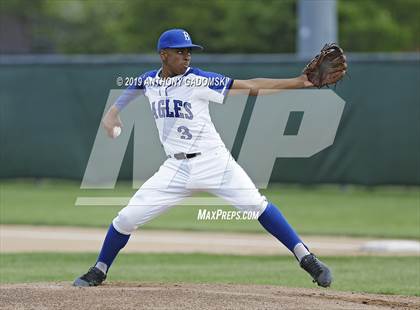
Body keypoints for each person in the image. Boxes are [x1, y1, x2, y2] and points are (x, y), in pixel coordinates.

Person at [74, 29, 342, 288]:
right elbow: (135, 86)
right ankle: (99, 269)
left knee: (256, 204)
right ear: (163, 54)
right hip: (175, 167)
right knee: (126, 218)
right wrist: (113, 111)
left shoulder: (198, 80)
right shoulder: (150, 80)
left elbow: (250, 87)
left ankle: (308, 260)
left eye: (189, 51)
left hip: (214, 162)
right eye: (181, 51)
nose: (187, 56)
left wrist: (299, 82)